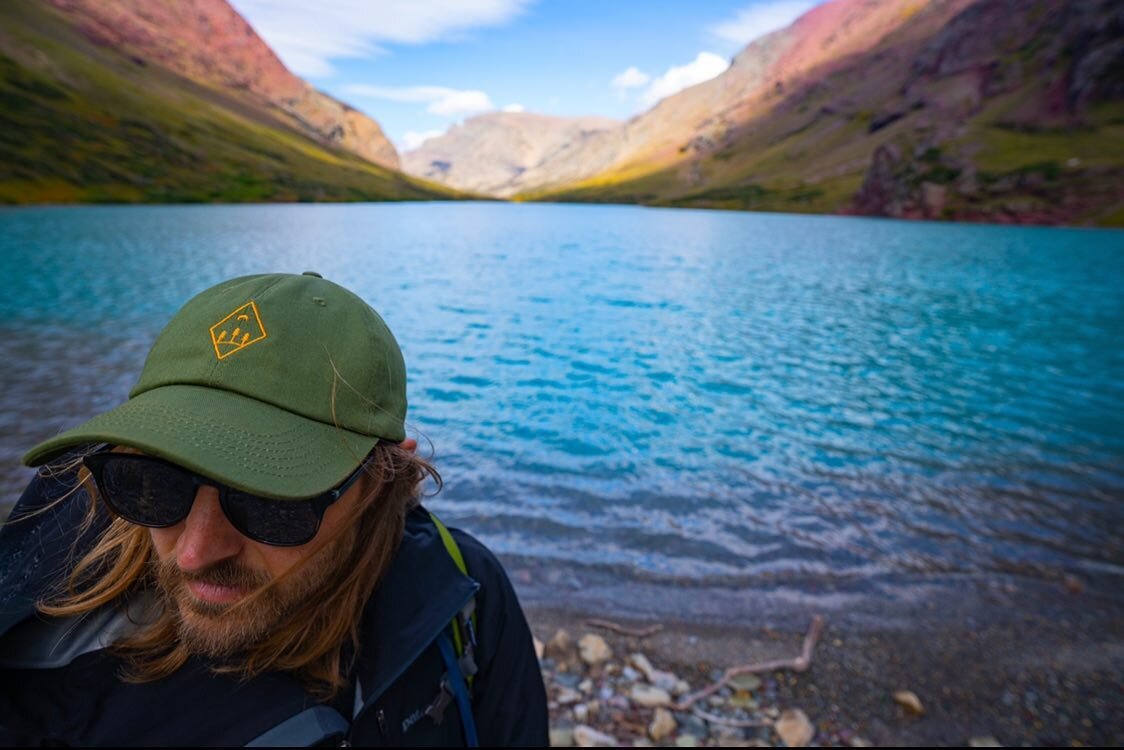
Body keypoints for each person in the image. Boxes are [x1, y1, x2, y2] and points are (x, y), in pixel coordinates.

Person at [0, 271, 548, 746]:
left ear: (386, 481)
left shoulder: (465, 594)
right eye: (153, 484)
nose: (193, 553)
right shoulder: (45, 663)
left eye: (270, 502)